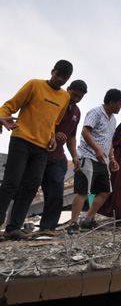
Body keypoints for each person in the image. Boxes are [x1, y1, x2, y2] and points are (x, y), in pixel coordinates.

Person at [0, 60, 73, 241]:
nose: (60, 80)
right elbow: (11, 104)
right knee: (11, 183)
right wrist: (1, 117)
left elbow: (53, 121)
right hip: (21, 140)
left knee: (31, 186)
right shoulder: (35, 85)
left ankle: (12, 228)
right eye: (58, 76)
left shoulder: (64, 98)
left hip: (42, 148)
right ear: (52, 71)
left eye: (64, 78)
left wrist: (52, 136)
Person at [68, 89, 121, 234]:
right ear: (111, 102)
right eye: (119, 103)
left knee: (106, 190)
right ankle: (73, 223)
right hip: (88, 156)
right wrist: (97, 149)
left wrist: (111, 158)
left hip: (102, 160)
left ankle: (88, 220)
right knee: (82, 190)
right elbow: (85, 132)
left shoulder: (113, 119)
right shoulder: (95, 112)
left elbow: (109, 140)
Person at [37, 80, 87, 236]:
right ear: (68, 89)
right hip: (39, 151)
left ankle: (48, 227)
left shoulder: (77, 112)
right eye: (74, 94)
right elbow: (41, 121)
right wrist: (52, 133)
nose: (76, 99)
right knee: (28, 187)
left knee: (56, 190)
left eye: (80, 97)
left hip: (58, 156)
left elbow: (71, 136)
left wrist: (74, 156)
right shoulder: (56, 103)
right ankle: (14, 226)